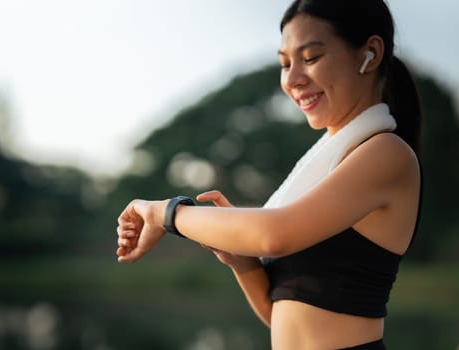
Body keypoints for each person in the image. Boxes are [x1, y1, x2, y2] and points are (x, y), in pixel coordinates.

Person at [115, 0, 422, 349]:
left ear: (369, 53)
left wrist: (166, 213)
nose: (292, 79)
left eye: (310, 58)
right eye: (285, 63)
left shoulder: (387, 154)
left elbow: (273, 234)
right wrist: (243, 261)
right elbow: (281, 318)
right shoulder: (321, 170)